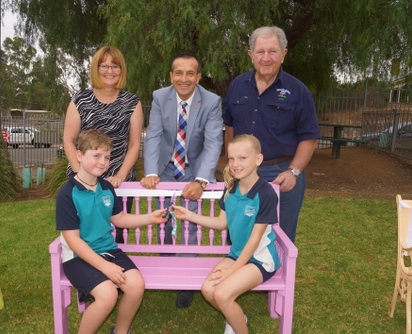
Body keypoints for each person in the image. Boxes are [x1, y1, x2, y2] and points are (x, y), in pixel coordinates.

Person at [56, 129, 167, 334]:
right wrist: (105, 267)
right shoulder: (67, 193)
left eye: (107, 157)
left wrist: (150, 218)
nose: (103, 162)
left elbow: (119, 219)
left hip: (108, 250)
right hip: (78, 257)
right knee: (108, 295)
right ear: (79, 155)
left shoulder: (106, 187)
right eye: (96, 155)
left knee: (135, 286)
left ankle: (120, 331)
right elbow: (73, 240)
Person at [172, 134, 280, 334]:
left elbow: (254, 241)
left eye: (242, 158)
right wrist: (189, 215)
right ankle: (237, 317)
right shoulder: (230, 188)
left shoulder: (265, 194)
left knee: (221, 294)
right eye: (231, 158)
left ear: (258, 159)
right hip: (237, 255)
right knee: (208, 290)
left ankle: (238, 326)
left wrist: (232, 271)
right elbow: (221, 223)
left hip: (260, 259)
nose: (235, 164)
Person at [140, 51, 223, 308]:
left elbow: (213, 141)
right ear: (171, 76)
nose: (184, 78)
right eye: (178, 72)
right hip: (165, 170)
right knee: (163, 220)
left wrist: (201, 181)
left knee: (191, 222)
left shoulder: (211, 101)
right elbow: (153, 135)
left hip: (193, 171)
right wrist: (151, 171)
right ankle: (166, 266)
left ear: (198, 77)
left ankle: (187, 280)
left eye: (190, 73)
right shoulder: (159, 97)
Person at [223, 26, 320, 244]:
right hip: (242, 173)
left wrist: (293, 172)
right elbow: (230, 127)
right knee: (238, 232)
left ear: (284, 54)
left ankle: (278, 277)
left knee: (280, 237)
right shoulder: (237, 86)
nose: (266, 58)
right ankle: (239, 276)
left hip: (281, 173)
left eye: (273, 51)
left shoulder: (298, 91)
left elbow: (309, 137)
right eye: (260, 52)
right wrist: (232, 164)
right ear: (251, 55)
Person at [63, 45, 144, 243]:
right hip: (83, 181)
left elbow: (134, 144)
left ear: (121, 70)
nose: (110, 71)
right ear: (96, 69)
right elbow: (69, 140)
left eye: (115, 66)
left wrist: (120, 176)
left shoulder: (132, 102)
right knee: (83, 235)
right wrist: (80, 175)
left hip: (119, 182)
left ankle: (116, 270)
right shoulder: (80, 100)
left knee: (117, 236)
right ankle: (87, 272)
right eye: (104, 66)